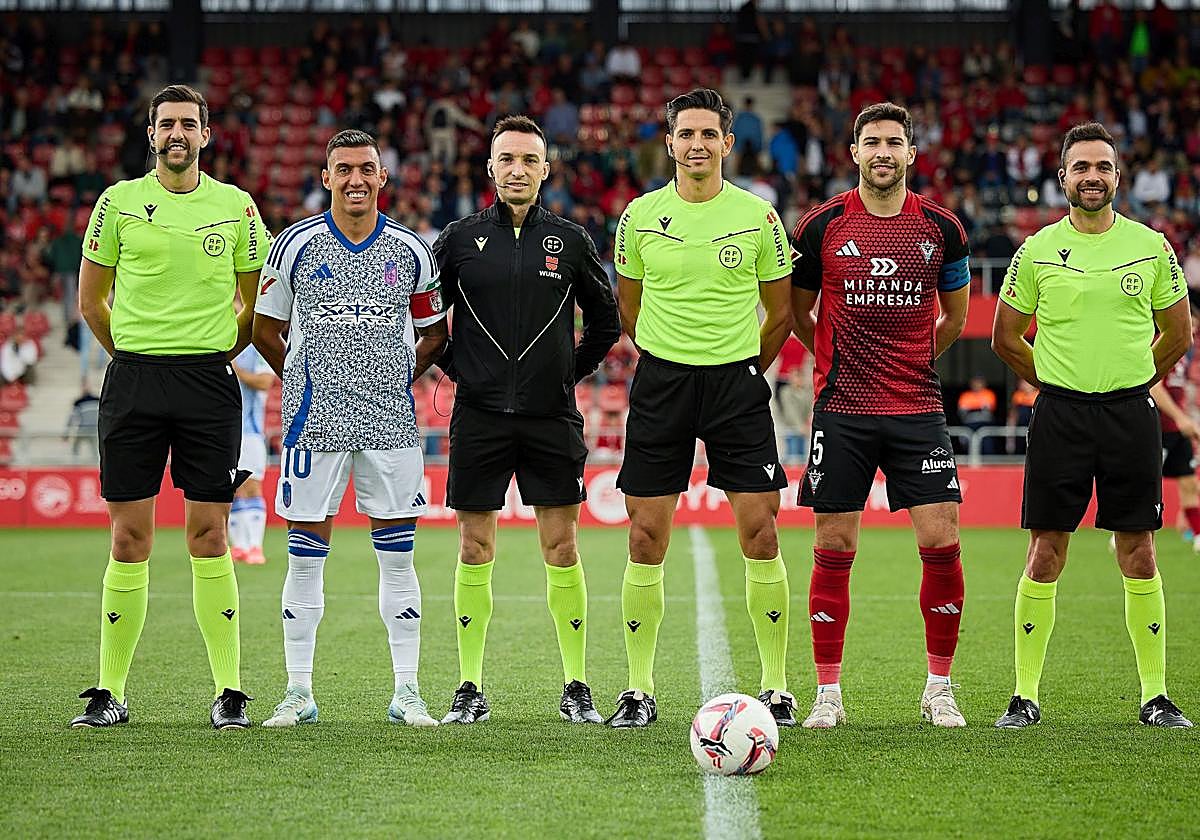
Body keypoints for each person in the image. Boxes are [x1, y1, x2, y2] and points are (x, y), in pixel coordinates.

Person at [70, 84, 268, 730]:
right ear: (151, 134)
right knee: (130, 539)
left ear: (206, 135)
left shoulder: (236, 207)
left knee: (209, 534)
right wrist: (132, 351)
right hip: (133, 382)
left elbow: (252, 305)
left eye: (188, 124)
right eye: (166, 124)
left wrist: (211, 352)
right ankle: (110, 692)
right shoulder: (118, 203)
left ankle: (229, 691)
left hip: (208, 385)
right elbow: (91, 303)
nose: (176, 133)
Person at [992, 122, 1193, 728]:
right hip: (1060, 415)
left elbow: (1178, 335)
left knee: (1139, 552)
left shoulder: (1152, 247)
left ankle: (1155, 697)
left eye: (1102, 167)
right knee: (1046, 551)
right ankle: (1024, 695)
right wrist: (1054, 378)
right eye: (1081, 167)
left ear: (1118, 176)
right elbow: (1005, 338)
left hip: (1132, 414)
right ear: (1062, 178)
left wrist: (1133, 377)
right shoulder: (1036, 252)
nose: (1092, 177)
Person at [610, 89, 794, 728]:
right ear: (669, 143)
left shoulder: (759, 216)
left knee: (761, 531)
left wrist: (744, 368)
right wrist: (667, 355)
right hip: (662, 384)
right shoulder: (638, 216)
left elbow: (781, 312)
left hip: (736, 386)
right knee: (644, 535)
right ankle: (639, 689)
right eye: (685, 134)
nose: (696, 144)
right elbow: (627, 306)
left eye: (707, 134)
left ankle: (775, 685)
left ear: (727, 143)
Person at [253, 129, 447, 729]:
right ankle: (298, 692)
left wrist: (391, 374)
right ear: (326, 176)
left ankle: (408, 692)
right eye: (344, 169)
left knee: (398, 558)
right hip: (315, 424)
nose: (356, 179)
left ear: (382, 177)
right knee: (304, 558)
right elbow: (264, 327)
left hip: (390, 423)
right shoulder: (293, 246)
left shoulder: (412, 251)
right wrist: (308, 376)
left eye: (367, 169)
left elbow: (435, 332)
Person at [431, 115, 619, 725]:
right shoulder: (457, 241)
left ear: (546, 169)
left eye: (528, 160)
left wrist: (567, 374)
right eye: (505, 159)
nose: (517, 169)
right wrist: (462, 370)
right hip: (480, 417)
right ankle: (468, 687)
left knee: (562, 547)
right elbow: (430, 321)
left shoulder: (570, 239)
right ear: (490, 168)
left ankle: (576, 685)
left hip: (550, 418)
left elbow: (607, 321)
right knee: (474, 545)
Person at [790, 102, 972, 729]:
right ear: (854, 152)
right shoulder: (821, 226)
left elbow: (956, 317)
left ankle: (939, 688)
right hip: (842, 407)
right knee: (833, 542)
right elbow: (798, 312)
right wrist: (835, 359)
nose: (883, 153)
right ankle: (828, 695)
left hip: (918, 406)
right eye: (872, 143)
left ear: (911, 152)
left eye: (894, 143)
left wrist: (914, 357)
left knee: (941, 540)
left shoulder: (942, 228)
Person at [228, 344, 274, 565]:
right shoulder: (223, 342)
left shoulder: (257, 349)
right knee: (232, 489)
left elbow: (265, 382)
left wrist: (237, 371)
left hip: (251, 431)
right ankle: (239, 546)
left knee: (252, 486)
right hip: (224, 430)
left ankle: (256, 546)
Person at [1150, 356, 1200, 549]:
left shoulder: (1185, 350)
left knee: (1188, 483)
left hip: (1177, 431)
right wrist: (1180, 418)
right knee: (1146, 485)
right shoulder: (1161, 342)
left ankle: (1198, 535)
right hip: (1158, 429)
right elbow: (1155, 387)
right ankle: (1122, 533)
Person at [957, 374, 998, 453]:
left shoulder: (989, 394)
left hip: (985, 424)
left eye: (979, 382)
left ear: (983, 383)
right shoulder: (965, 395)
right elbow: (962, 412)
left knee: (987, 443)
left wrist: (972, 408)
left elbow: (987, 412)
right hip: (969, 424)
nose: (977, 384)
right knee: (965, 441)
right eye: (975, 382)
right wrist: (978, 407)